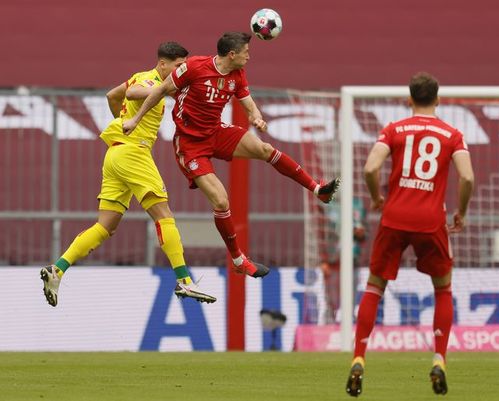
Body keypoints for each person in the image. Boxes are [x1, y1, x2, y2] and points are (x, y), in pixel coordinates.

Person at [122, 32, 340, 278]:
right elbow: (161, 89)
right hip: (190, 143)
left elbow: (248, 103)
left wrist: (256, 116)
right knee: (221, 201)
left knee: (265, 149)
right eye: (246, 52)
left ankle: (317, 190)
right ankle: (238, 259)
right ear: (232, 54)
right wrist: (135, 118)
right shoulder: (195, 67)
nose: (249, 56)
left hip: (216, 131)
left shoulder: (237, 75)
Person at [40, 42, 216, 307]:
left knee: (106, 226)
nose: (182, 70)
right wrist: (145, 99)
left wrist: (124, 125)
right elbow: (132, 93)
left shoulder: (142, 77)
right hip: (134, 153)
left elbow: (113, 95)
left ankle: (58, 269)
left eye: (184, 66)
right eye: (179, 65)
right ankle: (184, 281)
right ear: (162, 64)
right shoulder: (150, 80)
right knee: (164, 215)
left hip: (115, 154)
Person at [345, 72, 474, 397]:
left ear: (409, 99)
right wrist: (462, 211)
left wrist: (376, 198)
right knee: (443, 288)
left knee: (375, 286)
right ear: (438, 99)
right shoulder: (452, 134)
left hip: (395, 216)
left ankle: (359, 357)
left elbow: (370, 168)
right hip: (431, 220)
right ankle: (439, 359)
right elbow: (468, 177)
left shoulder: (394, 129)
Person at [320, 197, 367, 323]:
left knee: (350, 296)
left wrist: (361, 233)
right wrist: (323, 259)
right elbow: (321, 234)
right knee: (332, 299)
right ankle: (330, 321)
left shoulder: (358, 205)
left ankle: (350, 320)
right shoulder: (326, 205)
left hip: (352, 262)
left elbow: (364, 233)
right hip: (333, 262)